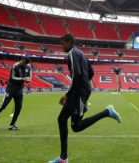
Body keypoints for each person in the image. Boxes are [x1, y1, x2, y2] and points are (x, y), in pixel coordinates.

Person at [48, 34, 120, 163]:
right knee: (62, 119)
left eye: (63, 44)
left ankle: (107, 112)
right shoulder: (81, 53)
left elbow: (77, 74)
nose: (62, 46)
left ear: (69, 42)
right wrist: (84, 84)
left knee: (76, 126)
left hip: (79, 93)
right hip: (80, 91)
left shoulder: (72, 53)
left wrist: (67, 94)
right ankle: (63, 157)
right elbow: (91, 72)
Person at [0, 56, 32, 131]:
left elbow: (29, 77)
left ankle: (12, 125)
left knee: (19, 107)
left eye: (24, 62)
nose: (22, 63)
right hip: (10, 89)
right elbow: (12, 78)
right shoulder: (15, 66)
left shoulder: (28, 67)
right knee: (3, 106)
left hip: (19, 90)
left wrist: (28, 80)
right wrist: (23, 79)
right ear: (21, 59)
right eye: (22, 61)